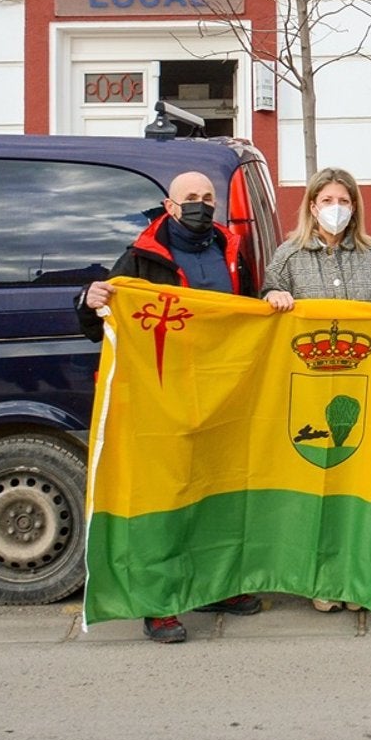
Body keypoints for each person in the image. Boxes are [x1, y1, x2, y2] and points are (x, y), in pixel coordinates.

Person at [77, 170, 262, 643]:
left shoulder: (233, 250)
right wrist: (88, 298)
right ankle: (159, 603)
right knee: (164, 497)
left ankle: (217, 585)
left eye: (207, 197)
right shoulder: (141, 256)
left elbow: (251, 311)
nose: (200, 204)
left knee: (218, 491)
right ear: (170, 205)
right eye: (190, 198)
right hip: (160, 397)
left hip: (222, 393)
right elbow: (99, 321)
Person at [261, 167, 371, 612]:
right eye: (326, 201)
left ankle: (356, 576)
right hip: (307, 392)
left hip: (362, 391)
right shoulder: (288, 257)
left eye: (343, 201)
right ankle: (318, 580)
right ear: (312, 206)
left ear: (355, 207)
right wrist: (273, 298)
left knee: (359, 488)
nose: (335, 209)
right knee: (313, 489)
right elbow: (265, 301)